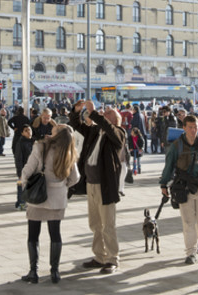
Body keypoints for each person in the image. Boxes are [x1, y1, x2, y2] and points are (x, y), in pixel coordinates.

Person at [69, 100, 126, 274]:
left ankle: (112, 258)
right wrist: (77, 111)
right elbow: (76, 126)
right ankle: (99, 256)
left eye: (107, 113)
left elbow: (109, 129)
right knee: (95, 223)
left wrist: (94, 113)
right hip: (91, 184)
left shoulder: (119, 133)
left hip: (105, 185)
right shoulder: (95, 131)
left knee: (108, 223)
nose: (103, 114)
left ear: (114, 120)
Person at [20, 124, 79, 284]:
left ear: (57, 135)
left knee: (33, 233)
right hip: (58, 197)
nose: (50, 131)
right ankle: (54, 271)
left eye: (53, 130)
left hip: (39, 195)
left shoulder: (41, 147)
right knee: (55, 234)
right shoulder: (69, 150)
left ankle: (33, 271)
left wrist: (23, 181)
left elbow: (29, 168)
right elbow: (75, 177)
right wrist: (63, 185)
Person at [160, 114, 198, 264]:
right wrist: (163, 184)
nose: (193, 130)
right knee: (188, 222)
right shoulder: (176, 146)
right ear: (184, 128)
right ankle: (190, 253)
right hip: (184, 187)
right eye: (190, 127)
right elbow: (169, 166)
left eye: (195, 127)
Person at [15, 124, 34, 210]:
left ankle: (22, 202)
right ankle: (21, 203)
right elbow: (18, 158)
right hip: (24, 169)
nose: (28, 132)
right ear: (22, 133)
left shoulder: (34, 141)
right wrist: (20, 172)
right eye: (26, 130)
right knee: (21, 187)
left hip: (33, 169)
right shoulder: (20, 143)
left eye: (29, 130)